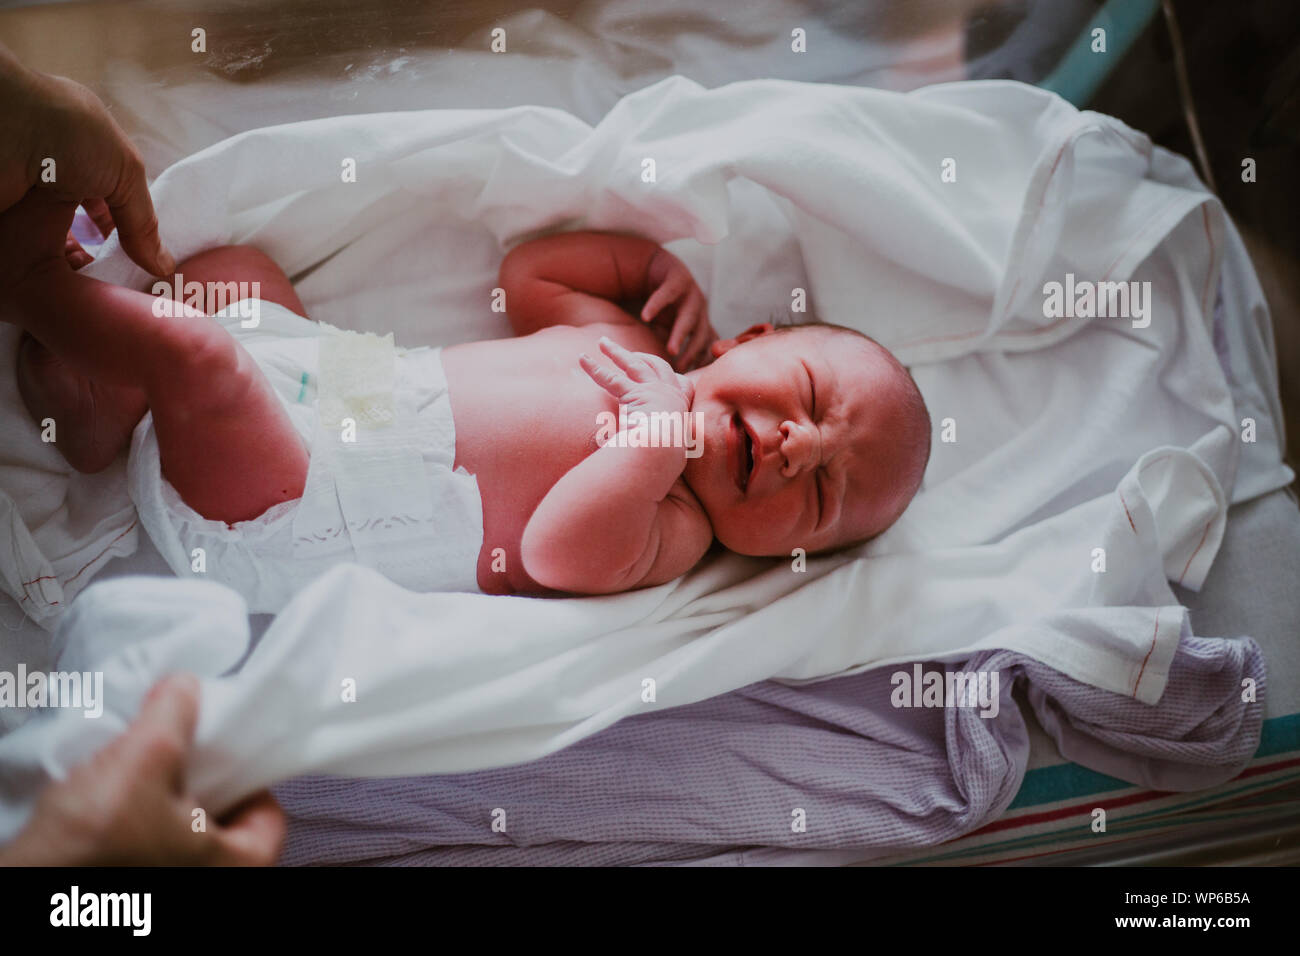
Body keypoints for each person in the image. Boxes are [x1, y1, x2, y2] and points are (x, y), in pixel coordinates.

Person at [0, 45, 282, 866]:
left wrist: (649, 452)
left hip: (324, 488)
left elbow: (563, 547)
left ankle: (31, 286)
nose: (688, 412)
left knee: (205, 360)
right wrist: (644, 267)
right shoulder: (651, 346)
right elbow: (534, 271)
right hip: (338, 376)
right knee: (238, 278)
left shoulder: (670, 525)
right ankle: (114, 406)